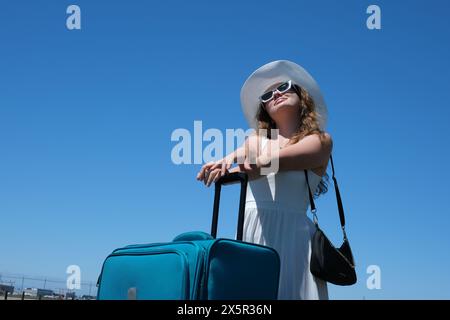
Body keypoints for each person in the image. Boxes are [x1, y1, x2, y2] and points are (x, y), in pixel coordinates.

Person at [196, 60, 332, 300]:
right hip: (253, 232)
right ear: (264, 109)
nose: (276, 94)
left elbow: (279, 159)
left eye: (284, 87)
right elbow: (242, 154)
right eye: (268, 94)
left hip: (295, 242)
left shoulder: (320, 140)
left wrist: (256, 165)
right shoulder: (256, 141)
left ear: (302, 96)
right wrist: (224, 161)